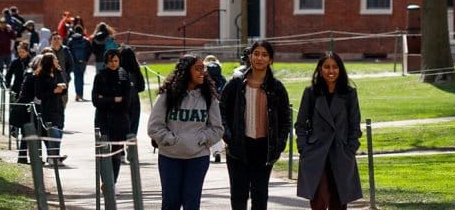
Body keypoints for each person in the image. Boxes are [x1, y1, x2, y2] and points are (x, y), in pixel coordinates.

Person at [219, 40, 292, 210]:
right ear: (250, 57)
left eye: (264, 55)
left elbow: (285, 119)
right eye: (256, 54)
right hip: (238, 146)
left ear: (271, 60)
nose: (260, 58)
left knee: (260, 196)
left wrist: (280, 143)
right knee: (238, 195)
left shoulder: (277, 88)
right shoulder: (235, 83)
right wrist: (228, 137)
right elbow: (221, 110)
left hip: (264, 148)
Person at [147, 54, 223, 210]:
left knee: (192, 203)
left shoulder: (209, 97)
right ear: (185, 71)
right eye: (197, 68)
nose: (202, 72)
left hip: (198, 158)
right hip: (170, 157)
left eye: (204, 68)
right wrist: (171, 139)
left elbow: (217, 128)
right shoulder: (167, 95)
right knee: (170, 203)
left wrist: (201, 139)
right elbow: (154, 126)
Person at [294, 52, 363, 210]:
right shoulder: (310, 93)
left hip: (341, 153)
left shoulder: (349, 94)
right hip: (315, 153)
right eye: (326, 67)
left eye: (335, 67)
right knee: (318, 200)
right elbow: (300, 124)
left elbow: (354, 125)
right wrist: (303, 148)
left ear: (340, 69)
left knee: (339, 201)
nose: (331, 71)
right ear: (319, 69)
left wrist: (351, 148)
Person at [91, 49, 133, 182]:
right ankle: (105, 181)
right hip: (103, 119)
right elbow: (96, 100)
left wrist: (106, 98)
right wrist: (114, 99)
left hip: (119, 119)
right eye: (111, 61)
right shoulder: (100, 76)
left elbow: (126, 102)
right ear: (106, 62)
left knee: (116, 152)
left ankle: (112, 181)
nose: (114, 64)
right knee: (104, 151)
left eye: (116, 61)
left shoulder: (124, 77)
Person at [32, 53, 68, 163]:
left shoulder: (58, 72)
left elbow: (64, 87)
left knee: (59, 132)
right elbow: (39, 94)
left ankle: (54, 156)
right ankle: (53, 157)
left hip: (59, 106)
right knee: (54, 133)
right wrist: (53, 91)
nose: (57, 60)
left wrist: (63, 88)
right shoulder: (41, 75)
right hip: (47, 107)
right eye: (55, 59)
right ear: (49, 62)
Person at [6, 41, 34, 163]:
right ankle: (14, 128)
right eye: (19, 52)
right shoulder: (15, 62)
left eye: (23, 52)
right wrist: (7, 84)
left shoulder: (32, 62)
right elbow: (9, 74)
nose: (21, 54)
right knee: (16, 112)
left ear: (27, 52)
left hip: (27, 92)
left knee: (25, 120)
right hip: (17, 91)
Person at [118, 46, 147, 136]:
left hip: (121, 102)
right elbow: (141, 87)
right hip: (134, 101)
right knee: (133, 128)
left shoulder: (118, 71)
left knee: (121, 128)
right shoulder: (136, 71)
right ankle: (131, 147)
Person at [66, 25, 93, 101]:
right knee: (81, 77)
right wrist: (86, 59)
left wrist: (71, 60)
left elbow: (68, 51)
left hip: (74, 61)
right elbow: (90, 50)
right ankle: (80, 94)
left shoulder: (71, 40)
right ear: (82, 31)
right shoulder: (86, 40)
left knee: (76, 77)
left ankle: (78, 94)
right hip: (83, 61)